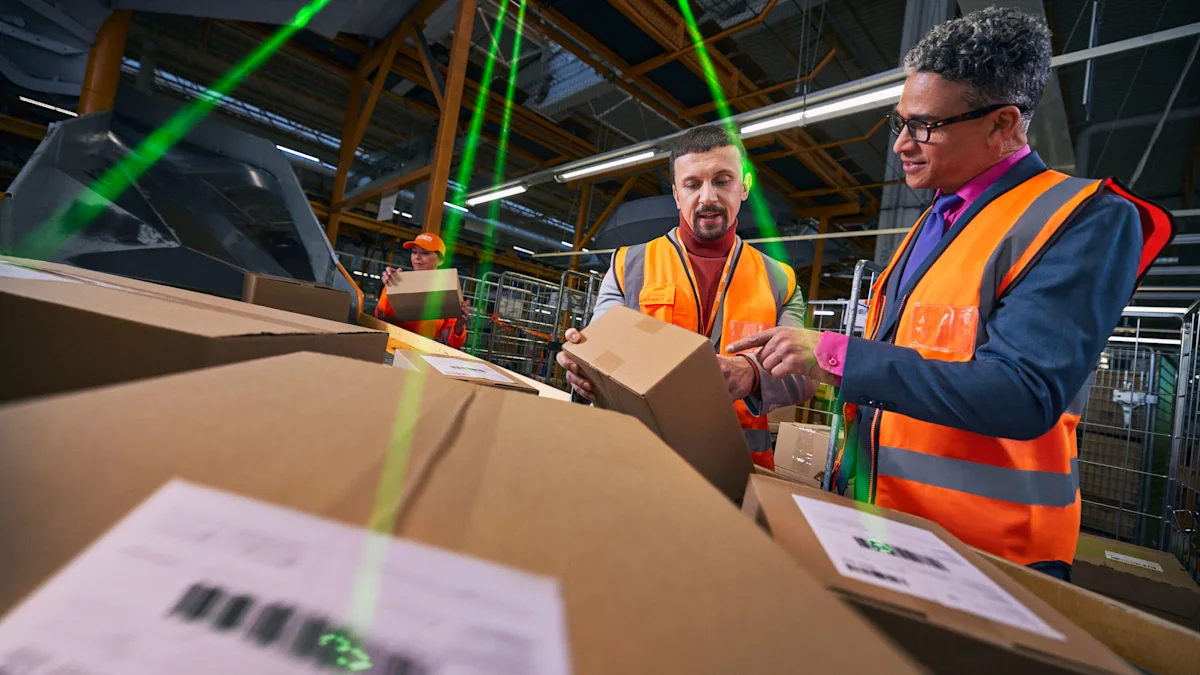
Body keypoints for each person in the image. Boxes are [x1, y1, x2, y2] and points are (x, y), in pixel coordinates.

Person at [727, 7, 1174, 578]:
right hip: (886, 524)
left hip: (990, 552)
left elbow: (1023, 392)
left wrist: (836, 353)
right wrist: (759, 374)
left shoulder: (1083, 220)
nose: (902, 146)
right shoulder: (937, 219)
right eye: (901, 123)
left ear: (1002, 124)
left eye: (925, 126)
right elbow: (901, 365)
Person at [555, 125, 817, 470]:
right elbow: (601, 358)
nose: (707, 197)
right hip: (637, 463)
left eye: (722, 181)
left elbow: (804, 376)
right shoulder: (628, 265)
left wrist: (752, 374)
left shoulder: (780, 279)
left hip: (738, 471)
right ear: (677, 194)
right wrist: (582, 371)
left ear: (745, 187)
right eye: (693, 185)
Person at [376, 232, 471, 349]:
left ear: (440, 260)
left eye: (425, 253)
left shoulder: (447, 293)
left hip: (426, 356)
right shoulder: (400, 283)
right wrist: (390, 288)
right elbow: (380, 318)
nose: (417, 257)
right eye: (414, 252)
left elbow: (452, 343)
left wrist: (459, 325)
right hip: (395, 349)